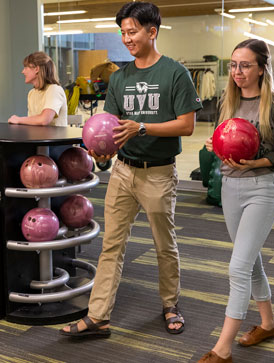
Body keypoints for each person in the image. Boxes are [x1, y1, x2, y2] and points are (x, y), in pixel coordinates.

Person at [59, 1, 201, 338]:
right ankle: (99, 316)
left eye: (132, 31)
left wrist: (142, 128)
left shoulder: (174, 73)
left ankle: (170, 304)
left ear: (152, 31)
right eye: (123, 32)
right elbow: (109, 127)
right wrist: (101, 148)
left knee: (163, 244)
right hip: (123, 172)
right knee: (112, 244)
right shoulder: (120, 77)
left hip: (159, 172)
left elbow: (187, 125)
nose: (126, 38)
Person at [198, 39, 274, 363]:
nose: (238, 72)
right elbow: (222, 138)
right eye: (234, 65)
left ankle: (222, 348)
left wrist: (255, 163)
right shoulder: (229, 99)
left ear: (261, 68)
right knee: (250, 262)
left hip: (261, 190)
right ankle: (268, 324)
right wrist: (218, 149)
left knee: (238, 267)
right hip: (230, 187)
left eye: (245, 65)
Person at [8, 51, 67, 127]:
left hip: (54, 138)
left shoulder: (54, 90)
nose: (23, 71)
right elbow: (33, 123)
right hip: (37, 138)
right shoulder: (32, 93)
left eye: (26, 67)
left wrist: (18, 119)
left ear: (36, 69)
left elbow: (44, 119)